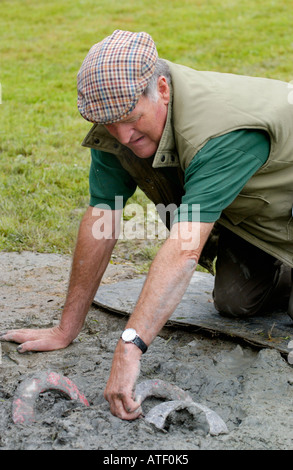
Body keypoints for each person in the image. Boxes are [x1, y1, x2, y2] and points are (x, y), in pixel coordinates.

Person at [1, 30, 293, 421]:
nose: (123, 135)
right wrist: (65, 329)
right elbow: (102, 217)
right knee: (235, 301)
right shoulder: (119, 124)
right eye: (109, 124)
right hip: (265, 213)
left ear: (162, 89)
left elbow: (185, 249)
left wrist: (130, 346)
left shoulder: (220, 133)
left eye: (131, 119)